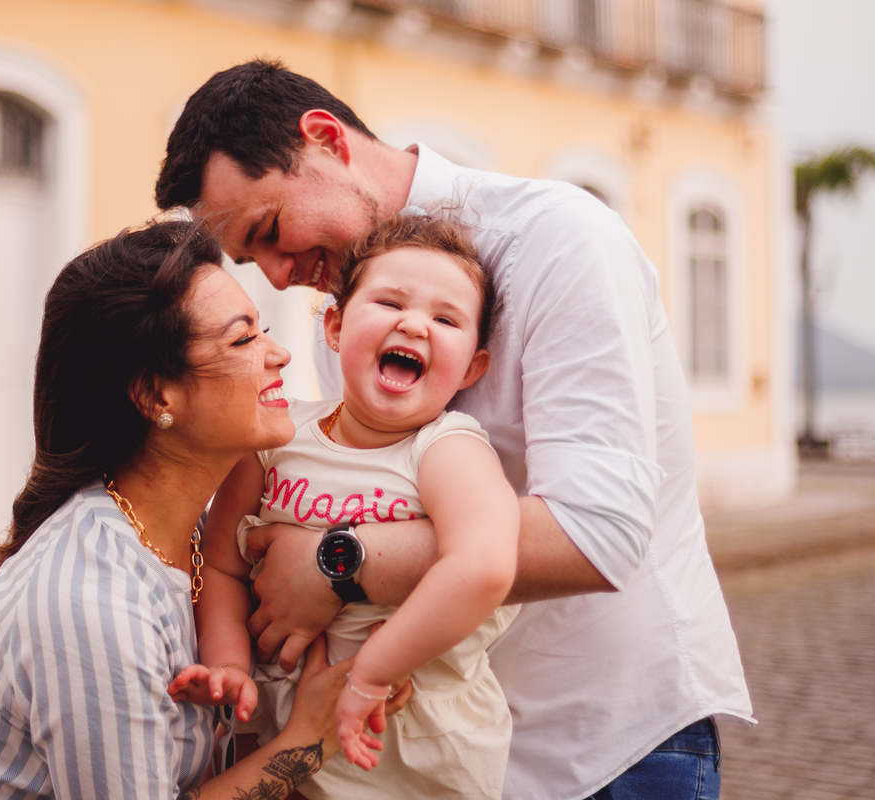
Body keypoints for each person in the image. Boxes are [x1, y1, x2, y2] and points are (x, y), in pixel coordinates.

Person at [155, 59, 754, 800]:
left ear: (324, 140)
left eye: (272, 230)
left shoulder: (560, 241)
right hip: (440, 761)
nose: (277, 276)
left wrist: (337, 562)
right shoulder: (340, 310)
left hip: (610, 748)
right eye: (254, 261)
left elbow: (601, 529)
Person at [0, 220, 379, 800]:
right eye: (243, 341)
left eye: (262, 330)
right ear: (155, 394)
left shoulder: (197, 528)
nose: (281, 354)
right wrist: (307, 739)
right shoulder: (93, 599)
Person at [168, 213, 520, 798]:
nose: (414, 325)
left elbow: (484, 566)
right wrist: (229, 665)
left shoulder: (446, 449)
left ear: (474, 366)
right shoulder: (279, 438)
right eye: (389, 302)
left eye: (445, 318)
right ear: (333, 325)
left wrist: (369, 675)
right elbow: (222, 564)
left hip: (415, 763)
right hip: (287, 759)